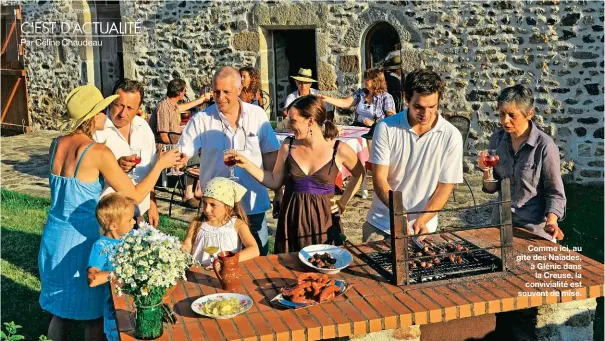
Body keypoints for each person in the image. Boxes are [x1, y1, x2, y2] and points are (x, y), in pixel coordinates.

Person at [38, 85, 180, 341]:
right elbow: (135, 196)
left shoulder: (55, 144)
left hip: (54, 237)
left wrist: (116, 169)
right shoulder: (98, 151)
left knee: (60, 314)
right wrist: (160, 165)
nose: (107, 113)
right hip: (83, 240)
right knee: (92, 317)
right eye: (102, 109)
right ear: (92, 116)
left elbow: (75, 187)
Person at [230, 95, 365, 253]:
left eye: (293, 120)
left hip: (324, 221)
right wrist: (246, 164)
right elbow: (274, 181)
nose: (288, 125)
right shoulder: (288, 145)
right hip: (292, 220)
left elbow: (359, 173)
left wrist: (342, 203)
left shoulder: (339, 149)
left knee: (324, 268)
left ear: (310, 121)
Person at [178, 66, 281, 256]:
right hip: (216, 209)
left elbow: (270, 155)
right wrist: (180, 158)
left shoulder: (257, 115)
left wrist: (278, 192)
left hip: (252, 203)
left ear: (240, 90)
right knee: (216, 260)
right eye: (216, 92)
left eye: (226, 92)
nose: (220, 97)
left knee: (257, 260)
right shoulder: (202, 119)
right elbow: (184, 150)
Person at [364, 69, 463, 242]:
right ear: (407, 99)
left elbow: (445, 187)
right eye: (418, 107)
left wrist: (422, 220)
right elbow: (379, 179)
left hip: (423, 227)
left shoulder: (451, 135)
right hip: (383, 224)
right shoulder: (386, 128)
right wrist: (399, 215)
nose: (426, 114)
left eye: (432, 107)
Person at [478, 84, 566, 242]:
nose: (505, 121)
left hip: (533, 231)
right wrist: (486, 171)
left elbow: (555, 193)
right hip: (500, 224)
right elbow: (491, 188)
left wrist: (552, 222)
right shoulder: (496, 141)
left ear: (529, 114)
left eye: (512, 115)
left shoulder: (545, 146)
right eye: (501, 114)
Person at [93, 79, 160, 225]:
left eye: (130, 108)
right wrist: (114, 166)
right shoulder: (98, 130)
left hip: (137, 216)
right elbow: (87, 174)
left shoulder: (143, 127)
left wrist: (152, 204)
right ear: (111, 101)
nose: (123, 113)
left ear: (138, 109)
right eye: (119, 105)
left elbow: (150, 169)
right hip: (109, 220)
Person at [148, 78, 210, 208]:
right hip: (163, 146)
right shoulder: (164, 107)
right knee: (191, 153)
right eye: (185, 91)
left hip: (172, 142)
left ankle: (199, 189)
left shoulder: (172, 105)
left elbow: (183, 107)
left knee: (201, 149)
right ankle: (188, 195)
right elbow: (164, 136)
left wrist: (201, 100)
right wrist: (180, 145)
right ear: (181, 93)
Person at [87, 193, 137, 341]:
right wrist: (117, 274)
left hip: (137, 304)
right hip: (116, 311)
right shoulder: (101, 246)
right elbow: (92, 279)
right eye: (129, 220)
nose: (134, 222)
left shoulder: (133, 237)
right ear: (113, 226)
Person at [183, 177, 260, 264]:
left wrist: (229, 261)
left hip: (225, 273)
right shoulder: (197, 223)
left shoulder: (237, 225)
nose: (207, 209)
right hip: (199, 274)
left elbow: (254, 249)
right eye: (204, 203)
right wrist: (181, 249)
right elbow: (187, 245)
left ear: (228, 207)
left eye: (213, 205)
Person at [320, 68, 396, 128]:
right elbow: (345, 103)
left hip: (376, 130)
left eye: (368, 79)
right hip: (358, 127)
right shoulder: (361, 93)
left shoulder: (386, 97)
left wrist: (374, 123)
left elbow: (391, 120)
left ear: (376, 81)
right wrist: (325, 98)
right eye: (365, 78)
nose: (365, 81)